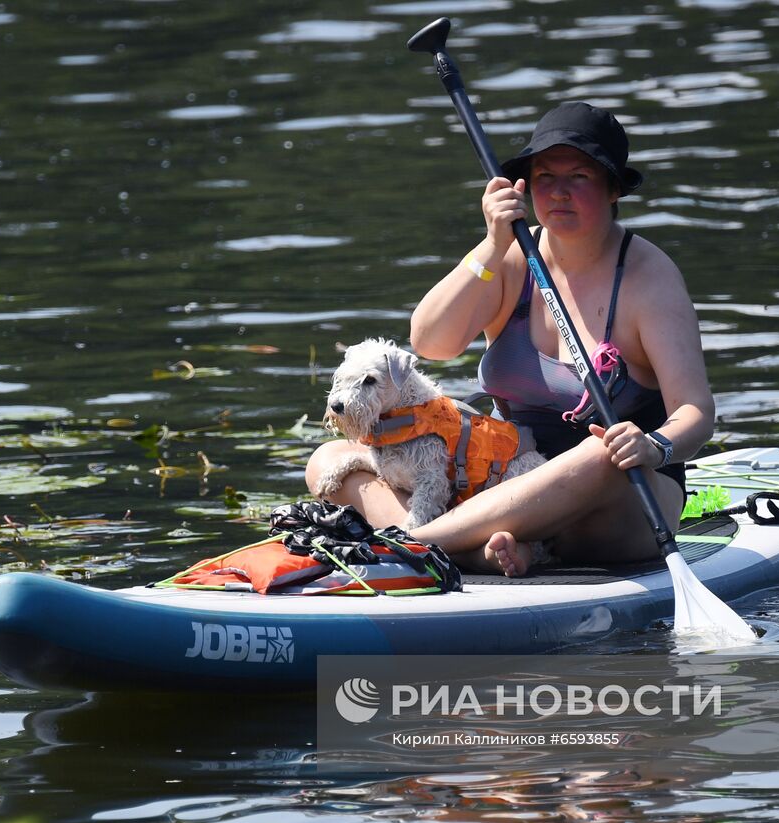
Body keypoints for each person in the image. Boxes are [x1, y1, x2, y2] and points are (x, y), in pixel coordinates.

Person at [305, 102, 715, 576]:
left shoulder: (650, 279)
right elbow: (431, 342)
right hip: (503, 479)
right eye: (545, 177)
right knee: (330, 458)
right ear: (525, 188)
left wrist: (653, 445)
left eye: (579, 176)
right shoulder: (510, 260)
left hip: (618, 498)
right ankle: (479, 549)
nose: (559, 193)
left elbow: (696, 413)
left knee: (597, 452)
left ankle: (415, 542)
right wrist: (493, 244)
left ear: (613, 188)